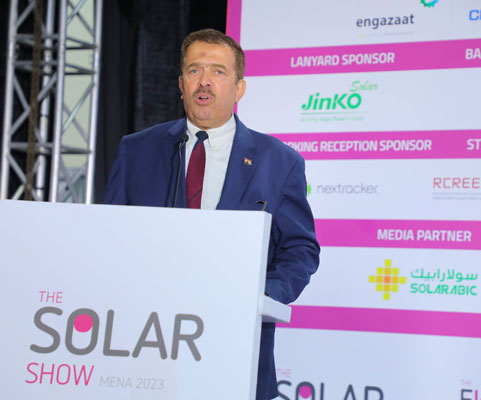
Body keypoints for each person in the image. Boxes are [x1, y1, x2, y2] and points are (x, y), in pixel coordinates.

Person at [103, 29, 320, 400]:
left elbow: (300, 249)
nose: (204, 81)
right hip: (143, 349)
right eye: (194, 70)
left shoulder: (279, 161)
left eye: (218, 72)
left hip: (235, 347)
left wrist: (261, 294)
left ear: (239, 88)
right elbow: (108, 237)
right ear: (181, 84)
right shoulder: (136, 150)